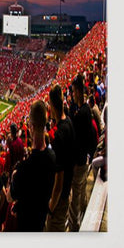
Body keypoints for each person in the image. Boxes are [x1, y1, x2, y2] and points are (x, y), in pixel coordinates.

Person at [8, 100, 56, 232]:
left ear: (31, 127)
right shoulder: (52, 157)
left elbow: (10, 197)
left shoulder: (24, 169)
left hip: (26, 227)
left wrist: (13, 178)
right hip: (41, 222)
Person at [45, 85, 76, 232]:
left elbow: (59, 178)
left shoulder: (58, 135)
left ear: (52, 104)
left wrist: (50, 208)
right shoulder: (69, 121)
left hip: (60, 198)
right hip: (68, 189)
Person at [69, 75, 97, 231]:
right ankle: (85, 213)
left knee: (74, 203)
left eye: (74, 91)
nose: (73, 94)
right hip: (84, 160)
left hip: (79, 162)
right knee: (82, 193)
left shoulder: (82, 113)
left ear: (79, 91)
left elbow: (78, 140)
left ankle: (75, 229)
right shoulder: (85, 110)